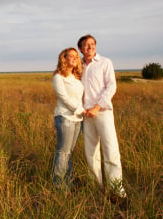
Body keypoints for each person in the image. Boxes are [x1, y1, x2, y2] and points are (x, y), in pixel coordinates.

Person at [77, 34, 127, 200]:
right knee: (91, 152)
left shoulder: (105, 63)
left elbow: (111, 86)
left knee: (111, 150)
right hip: (86, 115)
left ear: (95, 47)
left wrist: (97, 107)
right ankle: (96, 188)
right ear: (81, 49)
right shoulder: (80, 67)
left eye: (92, 44)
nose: (89, 47)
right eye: (86, 45)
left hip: (102, 112)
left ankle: (117, 191)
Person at [51, 47, 84, 188]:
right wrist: (79, 109)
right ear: (64, 58)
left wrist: (81, 111)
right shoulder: (58, 77)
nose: (75, 58)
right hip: (65, 117)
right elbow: (63, 97)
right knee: (63, 152)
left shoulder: (76, 78)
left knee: (69, 152)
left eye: (77, 56)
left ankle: (69, 182)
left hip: (77, 119)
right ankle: (58, 184)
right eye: (71, 56)